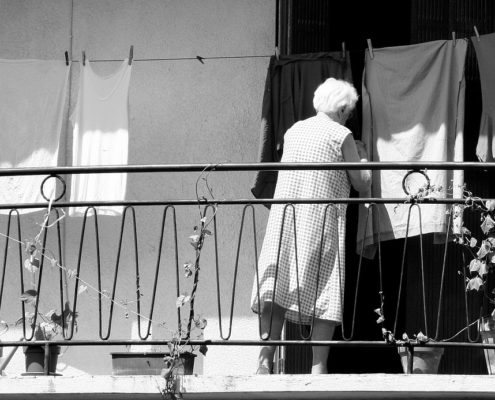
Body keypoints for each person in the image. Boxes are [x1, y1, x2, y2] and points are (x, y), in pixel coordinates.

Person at [251, 77, 371, 374]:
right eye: (350, 111)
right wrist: (364, 155)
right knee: (326, 289)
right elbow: (361, 182)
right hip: (321, 221)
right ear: (343, 108)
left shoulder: (294, 131)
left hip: (286, 218)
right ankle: (318, 368)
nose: (349, 116)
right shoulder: (342, 135)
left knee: (275, 288)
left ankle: (264, 361)